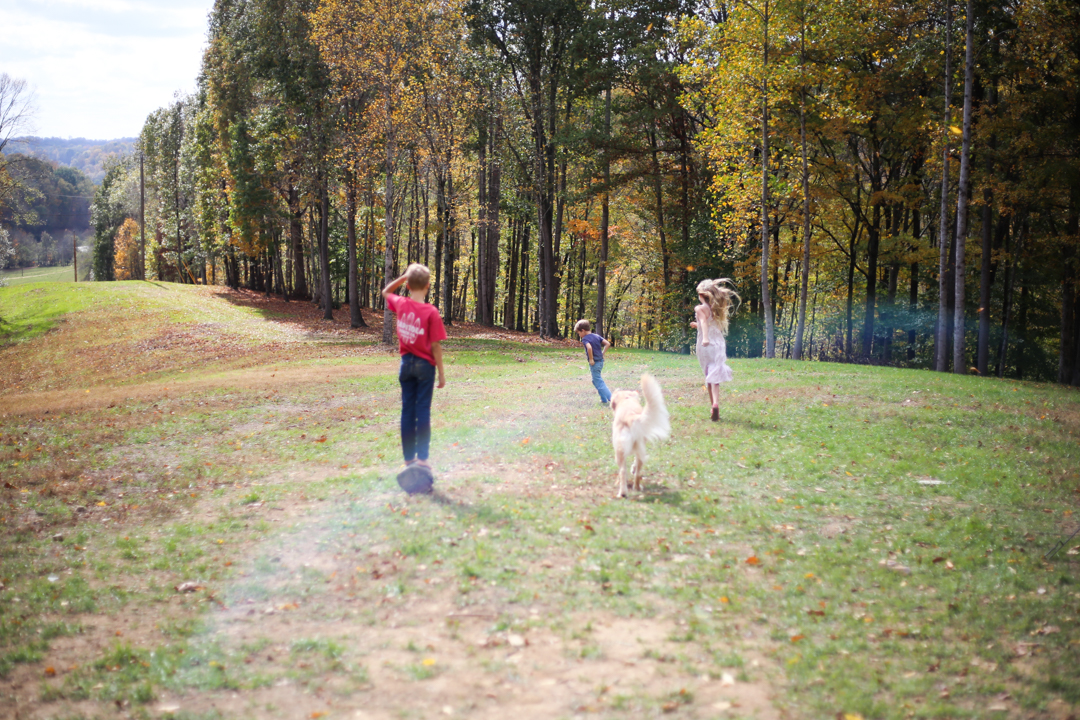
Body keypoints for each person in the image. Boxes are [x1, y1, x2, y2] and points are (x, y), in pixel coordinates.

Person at [382, 263, 447, 474]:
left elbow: (386, 292)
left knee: (407, 411)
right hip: (425, 367)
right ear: (428, 286)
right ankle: (423, 459)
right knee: (423, 411)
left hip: (406, 365)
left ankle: (409, 459)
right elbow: (435, 346)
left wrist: (403, 278)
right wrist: (441, 374)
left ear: (408, 286)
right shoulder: (431, 312)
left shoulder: (401, 303)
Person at [690, 278, 739, 421]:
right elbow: (709, 324)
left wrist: (705, 338)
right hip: (718, 344)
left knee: (708, 374)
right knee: (715, 375)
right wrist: (696, 325)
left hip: (706, 345)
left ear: (701, 295)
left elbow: (704, 323)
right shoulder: (716, 308)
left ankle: (713, 407)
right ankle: (715, 404)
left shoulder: (700, 308)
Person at [574, 319, 612, 405]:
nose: (579, 335)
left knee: (598, 381)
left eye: (579, 333)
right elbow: (607, 343)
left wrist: (591, 359)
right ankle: (603, 399)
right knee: (595, 380)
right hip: (600, 361)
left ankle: (613, 399)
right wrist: (602, 353)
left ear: (583, 330)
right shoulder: (596, 336)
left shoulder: (585, 339)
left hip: (595, 363)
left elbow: (589, 348)